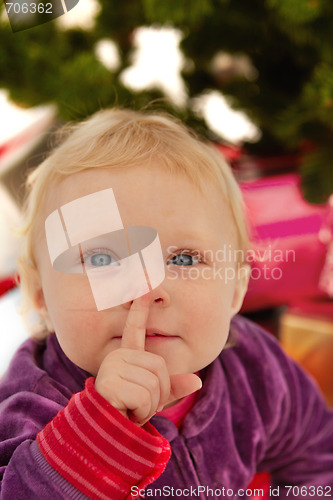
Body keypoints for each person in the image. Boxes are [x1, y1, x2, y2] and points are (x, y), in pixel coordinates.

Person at [0, 108, 332, 500]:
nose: (147, 287)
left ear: (236, 289)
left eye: (184, 259)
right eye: (103, 259)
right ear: (40, 296)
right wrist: (98, 432)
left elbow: (315, 455)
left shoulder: (255, 368)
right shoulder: (32, 406)